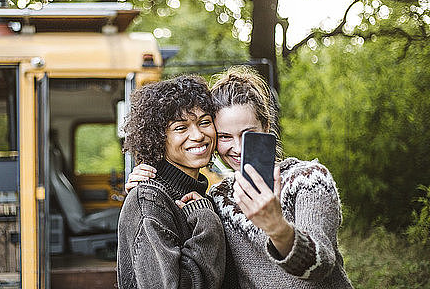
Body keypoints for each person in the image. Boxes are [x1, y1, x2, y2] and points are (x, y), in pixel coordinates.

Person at [126, 66, 353, 288]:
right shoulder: (217, 198)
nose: (238, 147)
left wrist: (278, 228)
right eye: (225, 136)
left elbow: (321, 265)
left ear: (266, 127)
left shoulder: (308, 179)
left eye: (248, 134)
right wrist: (147, 183)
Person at [117, 75, 227, 289]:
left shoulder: (203, 194)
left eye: (205, 122)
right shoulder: (150, 200)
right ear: (159, 138)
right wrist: (206, 220)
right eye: (180, 127)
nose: (197, 135)